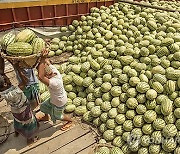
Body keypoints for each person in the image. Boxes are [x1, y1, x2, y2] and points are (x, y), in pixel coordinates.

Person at [0, 63, 39, 145]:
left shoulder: (3, 93)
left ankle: (17, 131)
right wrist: (17, 68)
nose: (9, 78)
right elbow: (25, 81)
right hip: (24, 110)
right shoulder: (15, 91)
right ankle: (30, 139)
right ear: (5, 83)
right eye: (7, 78)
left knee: (18, 121)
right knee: (29, 123)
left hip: (15, 111)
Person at [37, 50, 72, 130]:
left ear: (47, 75)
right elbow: (48, 62)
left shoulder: (55, 82)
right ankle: (46, 117)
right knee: (43, 106)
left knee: (58, 116)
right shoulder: (54, 71)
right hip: (54, 99)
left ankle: (70, 121)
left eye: (45, 76)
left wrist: (42, 59)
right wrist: (42, 56)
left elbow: (40, 77)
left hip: (60, 102)